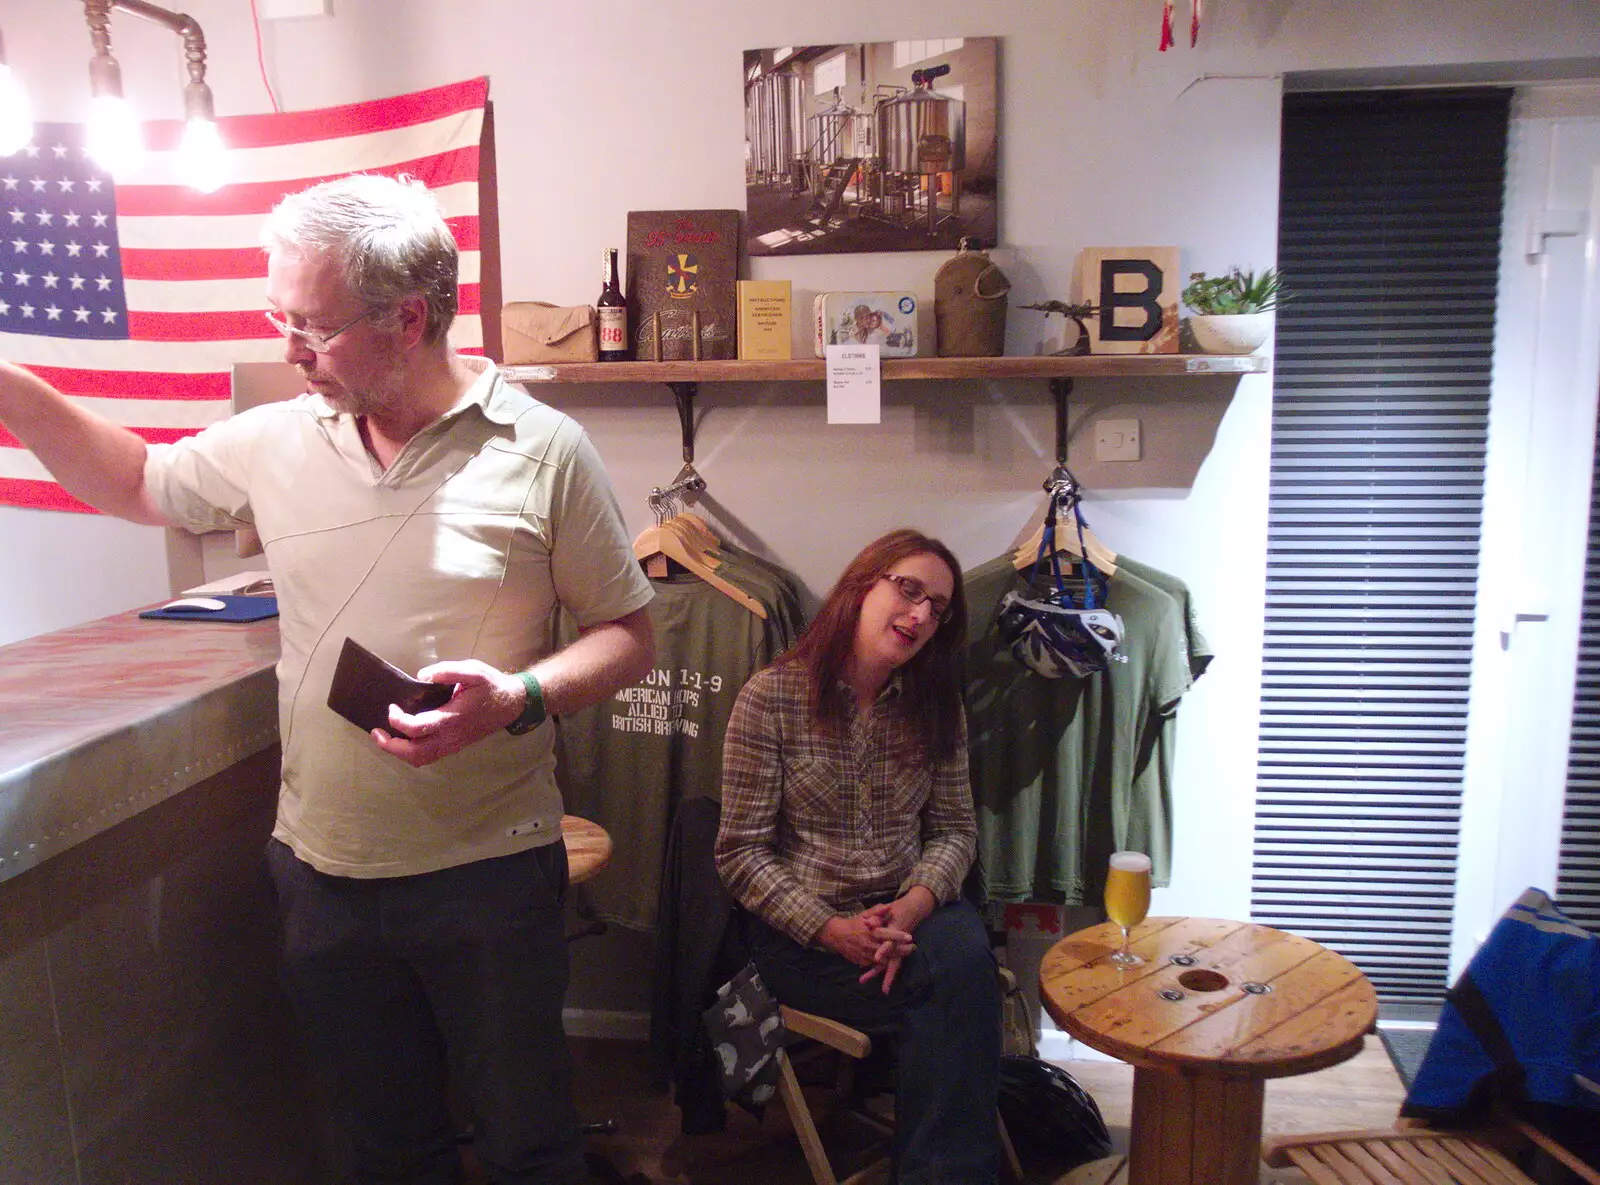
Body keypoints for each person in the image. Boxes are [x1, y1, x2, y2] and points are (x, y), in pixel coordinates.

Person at [0, 173, 655, 1185]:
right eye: (281, 319)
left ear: (407, 318)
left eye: (312, 325)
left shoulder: (542, 450)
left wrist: (518, 698)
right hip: (322, 877)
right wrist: (15, 389)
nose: (290, 350)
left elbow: (627, 635)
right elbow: (135, 482)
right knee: (383, 1151)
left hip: (487, 871)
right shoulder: (276, 438)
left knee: (530, 1147)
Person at [715, 528, 1001, 1184]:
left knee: (956, 959)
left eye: (940, 606)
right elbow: (741, 853)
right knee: (957, 986)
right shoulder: (771, 698)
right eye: (909, 589)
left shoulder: (937, 707)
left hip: (912, 915)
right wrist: (834, 928)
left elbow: (956, 832)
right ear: (860, 586)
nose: (924, 614)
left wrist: (908, 907)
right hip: (805, 937)